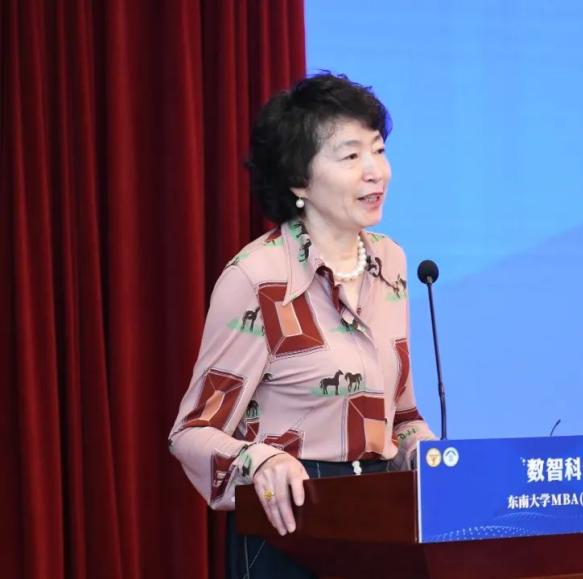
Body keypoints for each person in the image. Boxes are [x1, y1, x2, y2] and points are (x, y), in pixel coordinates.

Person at [168, 73, 436, 578]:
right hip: (289, 528)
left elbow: (399, 415)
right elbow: (191, 433)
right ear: (299, 181)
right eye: (351, 156)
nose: (375, 172)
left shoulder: (393, 264)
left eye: (378, 151)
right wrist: (261, 461)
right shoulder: (258, 278)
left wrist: (427, 452)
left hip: (383, 522)